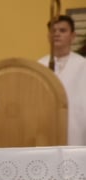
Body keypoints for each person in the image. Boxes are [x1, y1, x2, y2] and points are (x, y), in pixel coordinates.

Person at [38, 15, 86, 145]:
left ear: (73, 36)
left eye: (62, 30)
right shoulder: (39, 66)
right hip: (46, 128)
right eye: (53, 31)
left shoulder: (83, 65)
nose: (57, 34)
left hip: (76, 127)